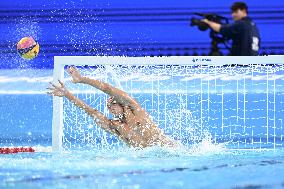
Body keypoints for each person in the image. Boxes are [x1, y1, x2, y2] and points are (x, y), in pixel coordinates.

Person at [47, 66, 180, 149]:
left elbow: (107, 88)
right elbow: (91, 112)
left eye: (113, 103)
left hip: (170, 151)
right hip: (147, 161)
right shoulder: (115, 126)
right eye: (108, 107)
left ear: (122, 103)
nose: (110, 107)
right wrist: (67, 94)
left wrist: (82, 79)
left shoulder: (135, 109)